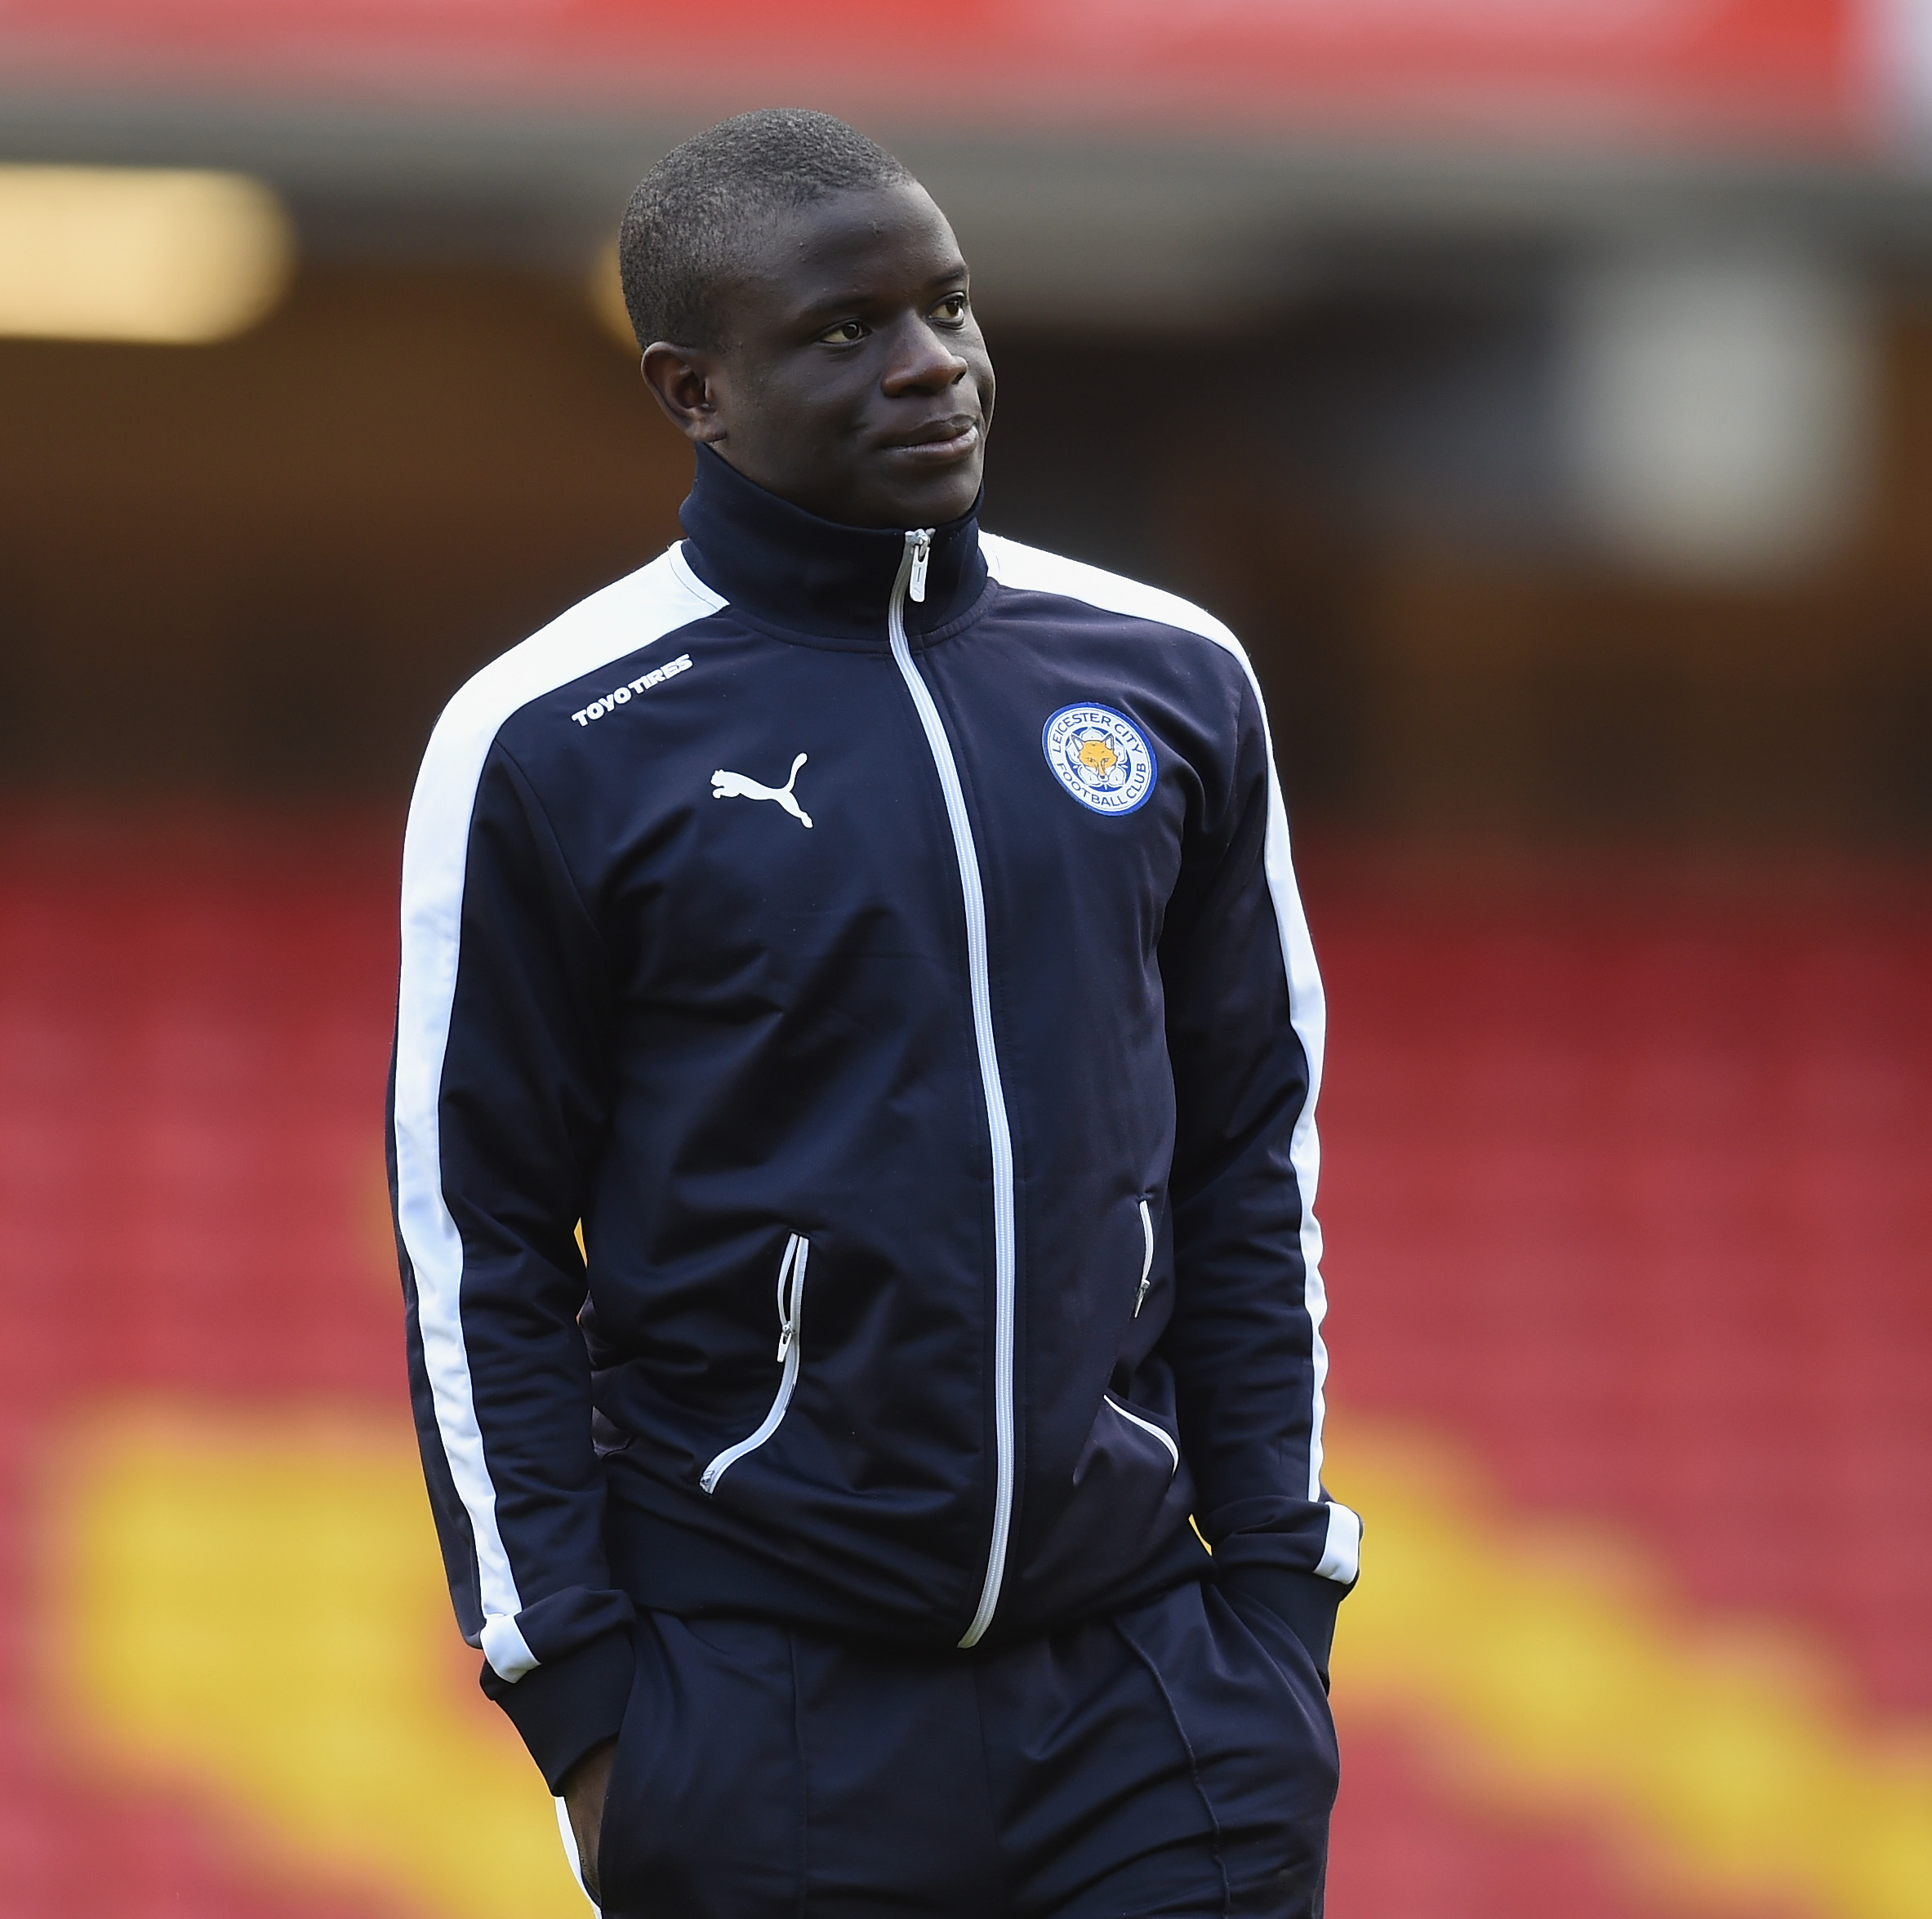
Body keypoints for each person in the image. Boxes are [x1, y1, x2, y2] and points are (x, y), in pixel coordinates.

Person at [391, 109, 1356, 1917]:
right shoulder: (548, 739)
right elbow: (480, 1240)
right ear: (692, 390)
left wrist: (1279, 1598)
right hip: (760, 1718)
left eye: (950, 309)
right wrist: (587, 1706)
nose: (932, 368)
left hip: (1149, 1692)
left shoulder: (1168, 680)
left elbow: (1248, 1149)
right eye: (846, 332)